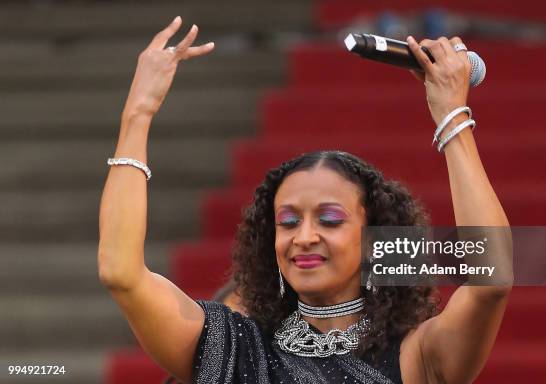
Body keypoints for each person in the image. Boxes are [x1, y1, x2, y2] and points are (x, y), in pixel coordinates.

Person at [98, 16, 512, 384]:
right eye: (288, 221)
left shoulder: (417, 355)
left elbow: (491, 278)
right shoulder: (231, 349)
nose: (305, 236)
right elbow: (122, 273)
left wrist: (451, 116)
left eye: (330, 219)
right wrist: (138, 113)